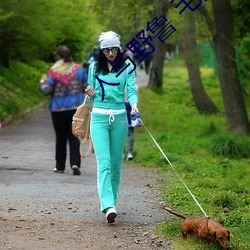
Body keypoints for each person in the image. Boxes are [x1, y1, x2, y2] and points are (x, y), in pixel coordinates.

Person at [85, 31, 138, 223]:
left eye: (113, 49)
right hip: (98, 117)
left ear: (119, 48)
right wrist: (90, 92)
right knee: (104, 163)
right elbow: (91, 96)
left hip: (120, 118)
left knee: (116, 164)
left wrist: (134, 104)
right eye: (106, 50)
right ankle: (107, 205)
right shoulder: (93, 68)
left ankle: (112, 201)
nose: (110, 53)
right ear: (101, 50)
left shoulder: (127, 67)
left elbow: (131, 90)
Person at [39, 45, 88, 175]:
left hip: (58, 109)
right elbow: (86, 87)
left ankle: (60, 166)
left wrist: (42, 83)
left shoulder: (54, 71)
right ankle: (75, 163)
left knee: (60, 138)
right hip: (75, 109)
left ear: (58, 57)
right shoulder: (79, 70)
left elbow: (47, 90)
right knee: (74, 137)